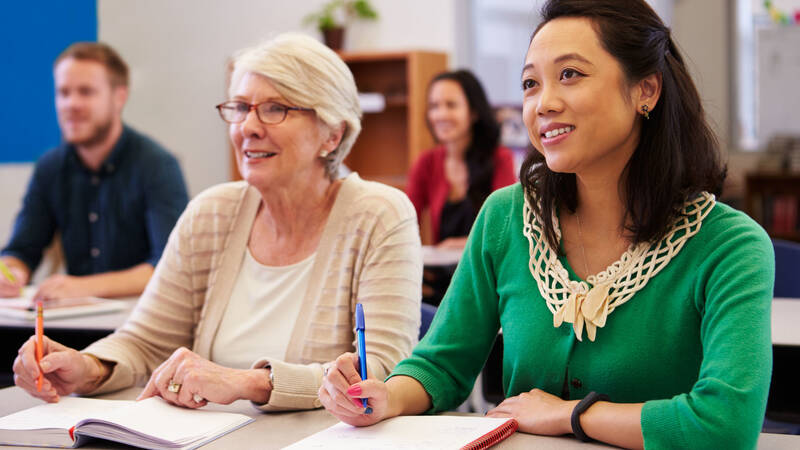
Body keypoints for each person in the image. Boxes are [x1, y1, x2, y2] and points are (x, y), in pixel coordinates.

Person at [319, 1, 774, 448]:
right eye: (530, 83)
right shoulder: (506, 216)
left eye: (570, 74)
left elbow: (725, 425)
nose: (544, 103)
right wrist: (385, 396)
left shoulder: (730, 246)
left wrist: (569, 415)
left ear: (646, 90)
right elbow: (442, 365)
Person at [13, 33, 422, 412]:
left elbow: (380, 373)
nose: (247, 127)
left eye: (275, 109)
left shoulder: (380, 215)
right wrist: (88, 366)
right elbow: (145, 340)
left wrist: (249, 383)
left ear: (332, 134)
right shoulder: (211, 213)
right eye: (241, 107)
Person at [0, 42, 189, 301]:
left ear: (119, 97)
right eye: (63, 93)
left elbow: (170, 267)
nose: (71, 104)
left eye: (86, 92)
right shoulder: (50, 167)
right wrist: (11, 272)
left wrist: (84, 286)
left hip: (138, 325)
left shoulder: (157, 166)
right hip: (72, 322)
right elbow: (22, 250)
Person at [405, 70, 516, 250]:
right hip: (442, 275)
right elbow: (405, 222)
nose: (440, 115)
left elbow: (507, 227)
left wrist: (460, 245)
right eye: (434, 106)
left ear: (473, 112)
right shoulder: (426, 162)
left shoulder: (500, 159)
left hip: (489, 271)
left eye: (451, 105)